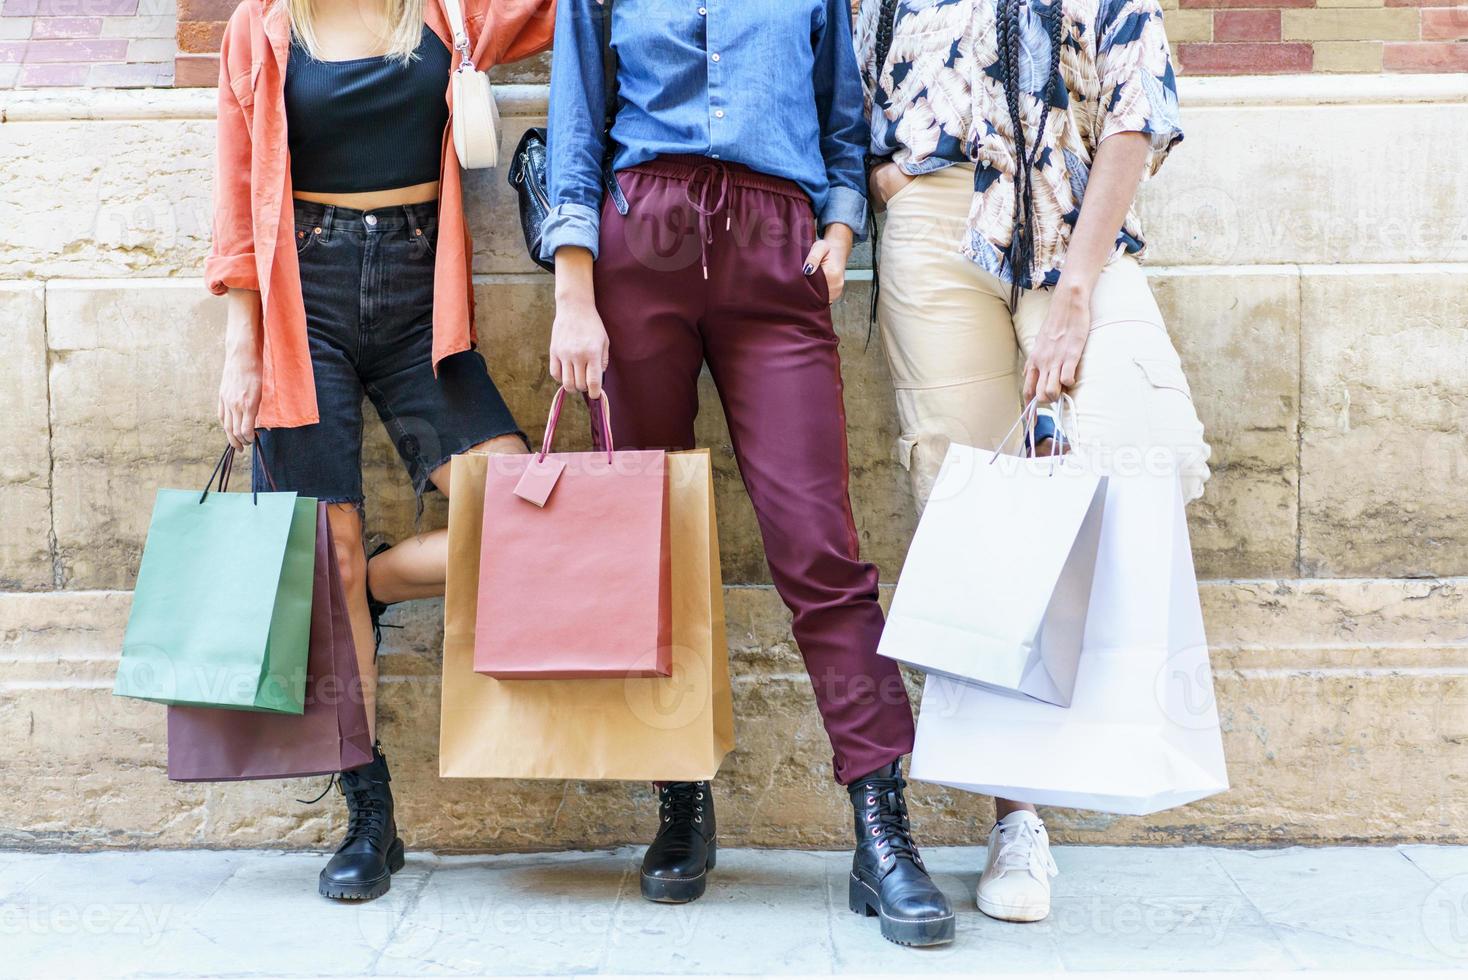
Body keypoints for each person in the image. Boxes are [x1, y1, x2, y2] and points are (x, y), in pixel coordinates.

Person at [542, 0, 955, 946]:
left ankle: (882, 826)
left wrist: (841, 228)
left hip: (776, 257)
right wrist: (575, 290)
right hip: (640, 249)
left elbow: (839, 113)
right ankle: (680, 798)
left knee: (819, 549)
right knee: (651, 545)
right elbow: (576, 120)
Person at [856, 0, 1212, 923]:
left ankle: (1108, 726)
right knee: (975, 526)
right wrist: (889, 176)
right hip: (931, 231)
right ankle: (1018, 816)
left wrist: (1081, 287)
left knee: (1143, 442)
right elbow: (840, 75)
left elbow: (1136, 107)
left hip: (1064, 218)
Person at [206, 0, 555, 901]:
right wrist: (242, 352)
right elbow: (238, 193)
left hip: (417, 301)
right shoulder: (265, 26)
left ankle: (378, 584)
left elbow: (560, 14)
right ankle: (368, 809)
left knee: (526, 515)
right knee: (333, 545)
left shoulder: (448, 10)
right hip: (303, 299)